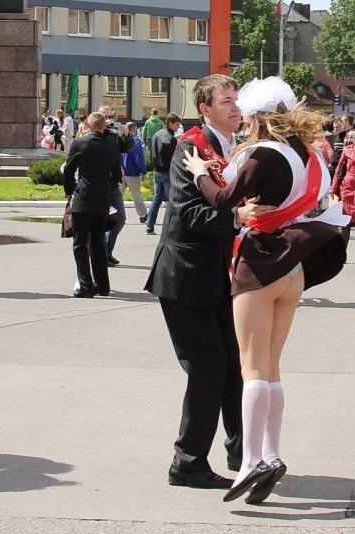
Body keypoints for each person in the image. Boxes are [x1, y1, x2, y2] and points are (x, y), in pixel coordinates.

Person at [183, 77, 348, 503]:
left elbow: (223, 201)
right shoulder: (308, 153)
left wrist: (200, 174)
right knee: (271, 368)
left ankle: (252, 461)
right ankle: (270, 454)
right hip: (293, 266)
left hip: (260, 262)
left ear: (257, 117)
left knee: (252, 369)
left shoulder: (261, 153)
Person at [146, 74, 258, 490]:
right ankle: (187, 463)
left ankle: (243, 453)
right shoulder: (191, 148)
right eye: (226, 101)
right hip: (186, 275)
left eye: (236, 99)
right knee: (208, 367)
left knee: (235, 365)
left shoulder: (236, 148)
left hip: (219, 277)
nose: (235, 106)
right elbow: (189, 214)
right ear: (205, 108)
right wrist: (238, 219)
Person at [63, 112, 122, 298]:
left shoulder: (79, 143)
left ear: (88, 126)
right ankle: (103, 285)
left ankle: (85, 285)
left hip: (83, 197)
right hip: (102, 198)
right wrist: (108, 188)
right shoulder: (112, 145)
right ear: (104, 126)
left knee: (80, 243)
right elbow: (117, 174)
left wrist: (69, 190)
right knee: (98, 243)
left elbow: (69, 170)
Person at [98, 105, 131, 266]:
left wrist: (127, 134)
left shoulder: (114, 134)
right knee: (100, 221)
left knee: (120, 218)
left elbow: (127, 148)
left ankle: (107, 251)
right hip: (97, 185)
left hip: (113, 184)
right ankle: (101, 254)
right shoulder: (91, 134)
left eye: (110, 117)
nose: (108, 120)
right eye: (104, 117)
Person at [145, 113, 181, 235]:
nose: (178, 127)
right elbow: (173, 158)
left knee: (156, 199)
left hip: (157, 171)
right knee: (171, 201)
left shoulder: (157, 134)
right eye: (177, 124)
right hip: (167, 172)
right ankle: (170, 229)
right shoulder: (171, 139)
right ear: (171, 123)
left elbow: (151, 152)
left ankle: (149, 226)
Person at [121, 122, 148, 224]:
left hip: (121, 171)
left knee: (117, 195)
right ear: (134, 128)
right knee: (136, 194)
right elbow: (138, 158)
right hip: (133, 172)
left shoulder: (120, 140)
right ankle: (142, 215)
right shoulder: (135, 141)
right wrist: (143, 170)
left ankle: (116, 215)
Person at [331, 130, 355, 242]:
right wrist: (333, 190)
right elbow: (339, 171)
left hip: (348, 186)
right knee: (346, 222)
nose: (350, 139)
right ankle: (341, 252)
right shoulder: (346, 150)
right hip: (348, 189)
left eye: (352, 137)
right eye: (349, 137)